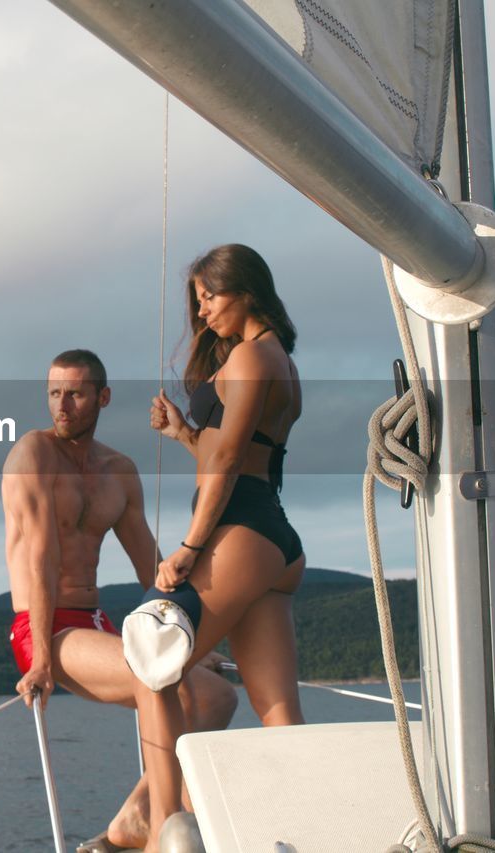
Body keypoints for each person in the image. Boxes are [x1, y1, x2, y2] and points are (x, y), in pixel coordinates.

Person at [3, 348, 238, 853]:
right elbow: (42, 558)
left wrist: (191, 633)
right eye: (54, 393)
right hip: (44, 629)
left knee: (218, 698)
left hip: (100, 624)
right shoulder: (33, 454)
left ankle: (137, 812)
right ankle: (162, 832)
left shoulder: (119, 470)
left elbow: (148, 565)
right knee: (150, 672)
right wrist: (42, 658)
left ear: (103, 397)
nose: (61, 405)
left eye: (76, 394)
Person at [140, 244, 306, 849]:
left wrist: (188, 546)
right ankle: (294, 832)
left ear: (247, 291)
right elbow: (234, 454)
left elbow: (231, 462)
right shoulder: (278, 360)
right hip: (273, 540)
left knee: (150, 665)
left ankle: (157, 826)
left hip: (238, 532)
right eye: (198, 300)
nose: (202, 310)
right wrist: (184, 433)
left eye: (210, 296)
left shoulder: (247, 358)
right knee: (279, 713)